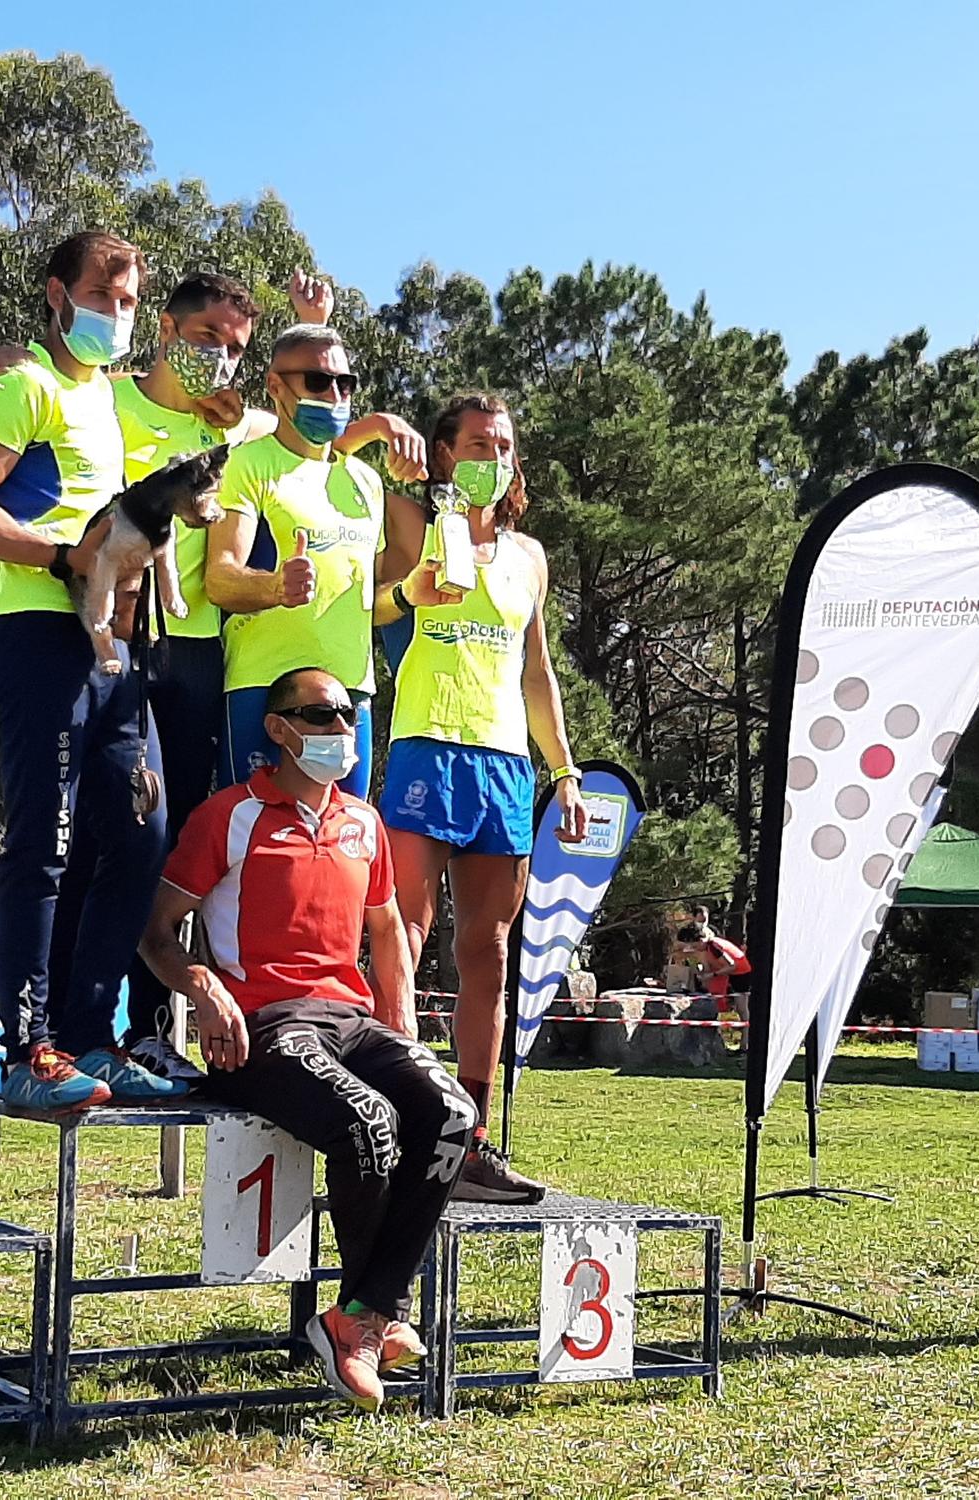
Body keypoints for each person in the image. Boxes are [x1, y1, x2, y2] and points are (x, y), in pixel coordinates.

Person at [0, 275, 420, 1087]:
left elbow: (306, 443)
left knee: (157, 843)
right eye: (206, 336)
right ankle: (53, 1034)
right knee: (79, 836)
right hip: (93, 635)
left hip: (196, 648)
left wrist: (319, 338)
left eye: (234, 347)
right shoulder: (108, 401)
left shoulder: (239, 426)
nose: (219, 357)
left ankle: (140, 1030)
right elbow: (25, 393)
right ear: (165, 329)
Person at [138, 666, 477, 1412]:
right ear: (278, 728)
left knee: (451, 1113)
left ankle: (361, 1314)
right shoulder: (227, 815)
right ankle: (366, 1320)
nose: (339, 731)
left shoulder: (365, 822)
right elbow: (156, 934)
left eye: (349, 716)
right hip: (262, 1028)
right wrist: (202, 989)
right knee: (368, 1122)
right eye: (320, 715)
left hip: (351, 1020)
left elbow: (388, 933)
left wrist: (405, 1027)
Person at [0, 229, 178, 1113]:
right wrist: (64, 559)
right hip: (35, 634)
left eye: (129, 301)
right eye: (105, 296)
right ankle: (25, 1051)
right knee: (44, 845)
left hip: (113, 647)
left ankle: (88, 1036)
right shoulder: (18, 385)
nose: (119, 314)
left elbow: (203, 401)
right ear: (57, 293)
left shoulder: (109, 398)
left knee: (142, 834)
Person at [373, 393, 585, 1203]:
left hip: (503, 765)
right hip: (427, 744)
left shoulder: (529, 555)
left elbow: (537, 673)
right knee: (404, 935)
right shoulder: (409, 520)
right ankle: (394, 1117)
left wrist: (562, 771)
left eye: (502, 445)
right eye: (474, 444)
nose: (490, 457)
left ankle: (470, 1140)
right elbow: (369, 592)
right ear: (442, 452)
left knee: (488, 955)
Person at [204, 324, 433, 797]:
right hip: (263, 688)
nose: (334, 394)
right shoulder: (249, 463)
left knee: (342, 849)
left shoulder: (366, 481)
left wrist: (410, 594)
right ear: (275, 386)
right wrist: (274, 588)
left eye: (345, 384)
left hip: (350, 695)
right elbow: (220, 578)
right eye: (317, 381)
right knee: (249, 844)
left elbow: (371, 605)